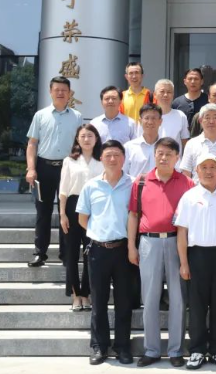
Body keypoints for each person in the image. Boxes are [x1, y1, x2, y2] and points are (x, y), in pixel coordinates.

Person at [127, 137, 194, 368]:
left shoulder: (187, 183)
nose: (164, 158)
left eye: (169, 154)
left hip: (177, 242)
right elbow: (133, 215)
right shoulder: (141, 182)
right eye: (160, 153)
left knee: (178, 298)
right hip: (149, 243)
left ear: (177, 157)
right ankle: (152, 349)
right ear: (154, 155)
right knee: (150, 298)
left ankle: (176, 350)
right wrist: (131, 246)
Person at [75, 140, 134, 366]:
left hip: (124, 250)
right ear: (101, 158)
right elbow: (83, 219)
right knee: (98, 302)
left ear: (123, 158)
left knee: (124, 302)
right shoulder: (91, 186)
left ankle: (122, 347)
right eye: (108, 155)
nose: (112, 159)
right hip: (98, 250)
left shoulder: (132, 184)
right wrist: (98, 233)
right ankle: (99, 346)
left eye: (117, 154)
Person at [175, 153, 216, 370]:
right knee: (197, 306)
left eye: (213, 167)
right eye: (204, 167)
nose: (209, 171)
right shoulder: (188, 197)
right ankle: (197, 350)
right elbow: (182, 232)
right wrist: (184, 263)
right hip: (196, 255)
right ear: (197, 170)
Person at [26, 76, 82, 267]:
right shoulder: (40, 115)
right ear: (50, 92)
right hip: (44, 168)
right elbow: (32, 144)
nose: (60, 93)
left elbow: (80, 145)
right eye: (56, 89)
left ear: (69, 93)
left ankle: (66, 254)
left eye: (64, 90)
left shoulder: (77, 116)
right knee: (43, 211)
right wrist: (31, 168)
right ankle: (40, 252)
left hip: (68, 169)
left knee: (67, 211)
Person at [58, 123, 103, 311]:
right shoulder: (69, 161)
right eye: (83, 136)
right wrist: (62, 214)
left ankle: (86, 293)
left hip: (95, 208)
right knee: (71, 253)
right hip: (72, 206)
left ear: (96, 139)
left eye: (90, 136)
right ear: (77, 139)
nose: (86, 139)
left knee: (90, 253)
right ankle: (75, 294)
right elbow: (63, 190)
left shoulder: (101, 160)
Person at [180, 103, 216, 188]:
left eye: (215, 117)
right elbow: (186, 172)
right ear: (200, 121)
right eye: (207, 118)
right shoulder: (191, 143)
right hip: (197, 190)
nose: (211, 121)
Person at [149, 79, 190, 150]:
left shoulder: (180, 116)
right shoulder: (147, 117)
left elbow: (185, 142)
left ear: (173, 95)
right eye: (162, 91)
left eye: (169, 92)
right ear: (155, 95)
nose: (165, 95)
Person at [123, 103, 161, 179]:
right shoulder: (129, 147)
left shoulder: (167, 147)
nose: (150, 122)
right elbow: (123, 173)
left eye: (154, 118)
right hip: (135, 186)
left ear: (160, 121)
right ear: (140, 121)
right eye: (146, 118)